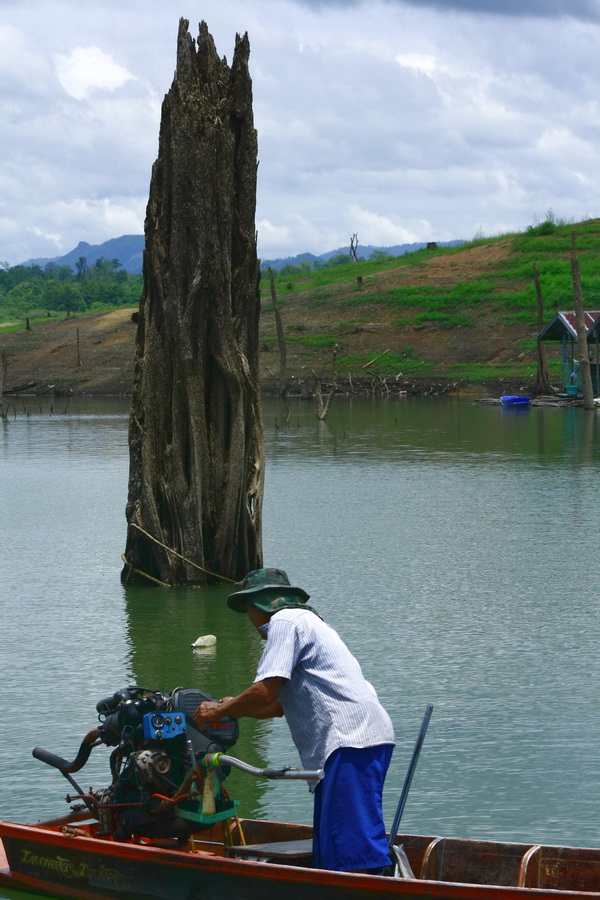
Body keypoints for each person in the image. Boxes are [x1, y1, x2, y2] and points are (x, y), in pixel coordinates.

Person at [193, 567, 395, 874]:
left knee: (352, 846)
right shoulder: (309, 622)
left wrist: (218, 712)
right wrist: (231, 706)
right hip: (360, 735)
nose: (249, 619)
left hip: (347, 738)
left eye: (248, 609)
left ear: (260, 605)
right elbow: (276, 706)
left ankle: (368, 888)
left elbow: (264, 691)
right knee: (338, 839)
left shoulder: (284, 622)